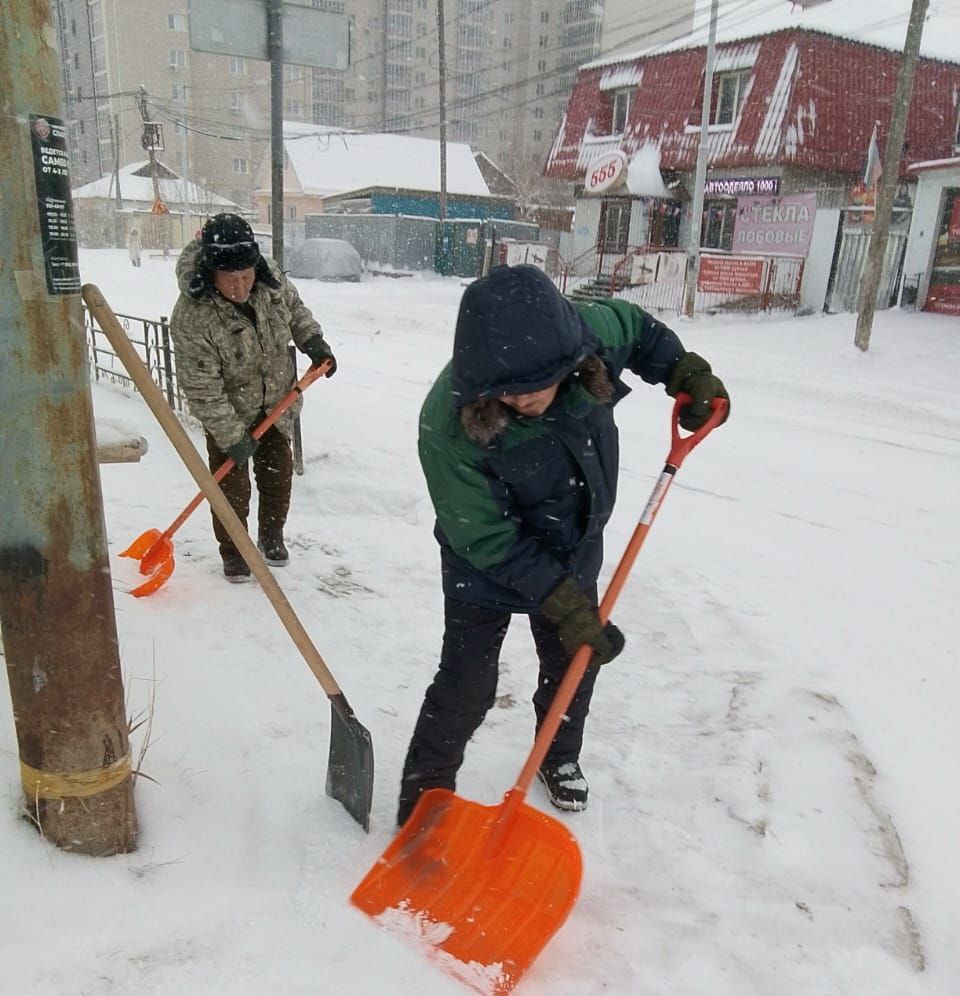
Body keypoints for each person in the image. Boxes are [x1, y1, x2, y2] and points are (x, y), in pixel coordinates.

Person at [397, 264, 729, 825]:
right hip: (483, 564)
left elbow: (639, 330)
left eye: (536, 388)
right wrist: (562, 600)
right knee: (468, 683)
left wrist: (687, 372)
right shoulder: (448, 424)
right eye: (511, 393)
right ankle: (425, 802)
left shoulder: (582, 335)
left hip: (573, 540)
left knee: (574, 662)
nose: (525, 402)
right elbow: (483, 536)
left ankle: (558, 755)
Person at [169, 213, 336, 581]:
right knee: (232, 488)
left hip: (277, 398)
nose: (242, 287)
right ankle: (235, 551)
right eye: (232, 280)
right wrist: (231, 436)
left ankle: (271, 535)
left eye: (247, 276)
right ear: (212, 273)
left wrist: (312, 340)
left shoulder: (270, 279)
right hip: (228, 409)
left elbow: (294, 309)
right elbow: (201, 386)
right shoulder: (192, 315)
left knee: (278, 475)